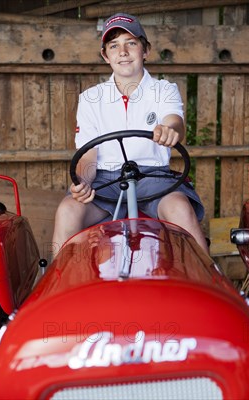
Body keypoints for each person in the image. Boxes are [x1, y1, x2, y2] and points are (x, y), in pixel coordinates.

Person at [51, 13, 208, 256]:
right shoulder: (91, 98)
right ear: (106, 55)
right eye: (114, 46)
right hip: (106, 182)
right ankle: (57, 282)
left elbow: (174, 121)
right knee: (68, 209)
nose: (122, 51)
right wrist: (83, 181)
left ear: (145, 50)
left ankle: (210, 277)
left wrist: (170, 131)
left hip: (154, 178)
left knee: (180, 208)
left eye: (131, 43)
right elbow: (88, 155)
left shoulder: (164, 90)